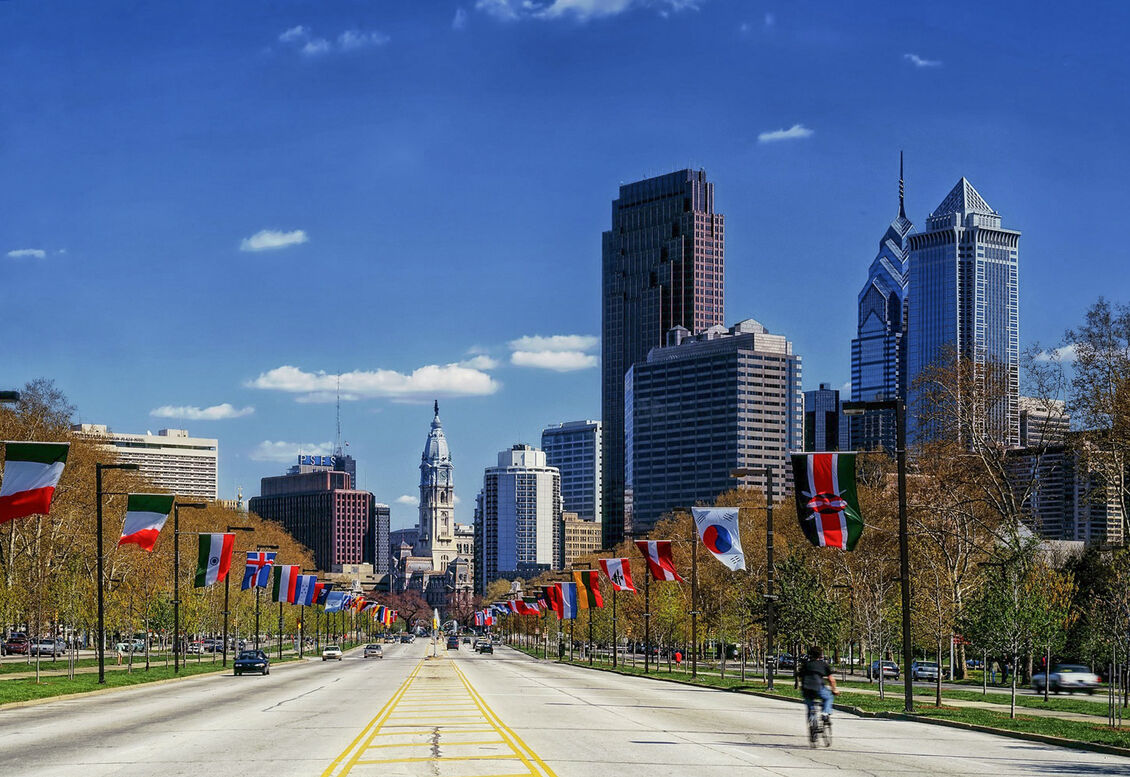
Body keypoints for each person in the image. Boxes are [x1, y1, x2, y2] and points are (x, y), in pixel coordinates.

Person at [798, 645, 838, 728]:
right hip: (819, 688)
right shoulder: (823, 665)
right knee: (828, 697)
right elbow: (831, 679)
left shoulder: (806, 665)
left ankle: (812, 723)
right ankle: (825, 713)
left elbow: (800, 677)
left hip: (806, 689)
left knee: (810, 706)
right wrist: (834, 690)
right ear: (821, 655)